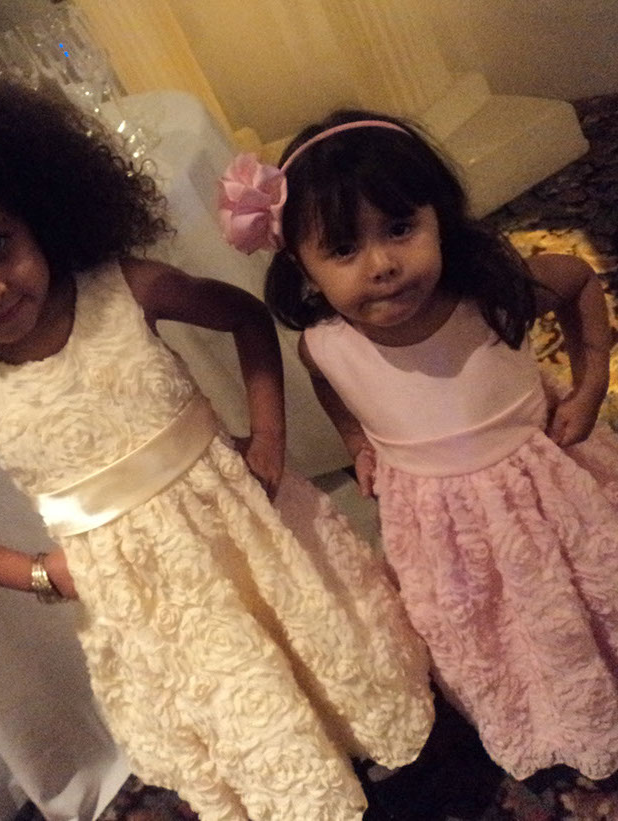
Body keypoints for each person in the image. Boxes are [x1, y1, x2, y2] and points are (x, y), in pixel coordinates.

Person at [0, 79, 435, 821]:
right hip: (153, 598)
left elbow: (243, 316)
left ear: (37, 213)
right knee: (241, 701)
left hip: (246, 525)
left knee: (322, 643)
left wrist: (268, 434)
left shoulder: (123, 291)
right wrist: (39, 571)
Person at [219, 108, 618, 786]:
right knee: (485, 625)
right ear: (303, 267)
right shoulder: (325, 343)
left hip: (543, 487)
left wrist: (589, 385)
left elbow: (578, 282)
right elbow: (330, 383)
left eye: (401, 229)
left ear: (440, 218)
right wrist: (358, 440)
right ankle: (540, 711)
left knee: (586, 590)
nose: (382, 265)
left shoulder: (491, 294)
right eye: (344, 249)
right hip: (441, 526)